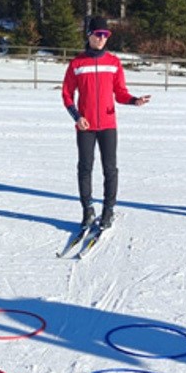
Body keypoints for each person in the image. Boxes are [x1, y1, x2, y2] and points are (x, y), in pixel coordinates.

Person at [61, 17, 150, 230]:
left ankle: (108, 210)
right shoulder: (77, 63)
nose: (102, 39)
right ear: (89, 35)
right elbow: (66, 94)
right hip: (86, 125)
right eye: (98, 34)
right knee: (85, 168)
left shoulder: (113, 63)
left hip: (108, 124)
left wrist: (133, 100)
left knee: (110, 169)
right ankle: (87, 210)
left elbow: (120, 93)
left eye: (106, 35)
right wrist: (77, 116)